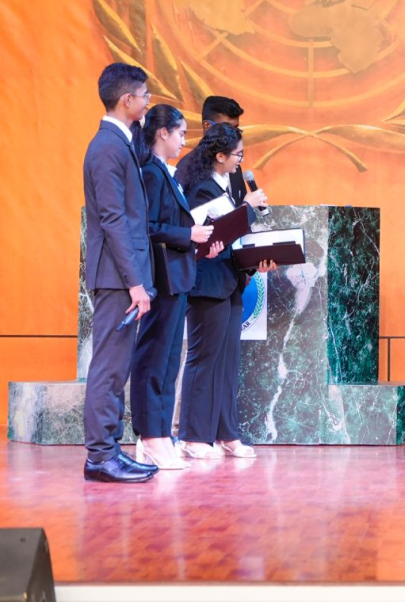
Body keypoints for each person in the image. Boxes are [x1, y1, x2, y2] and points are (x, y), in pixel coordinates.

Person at [175, 123, 274, 459]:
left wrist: (256, 259)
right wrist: (245, 206)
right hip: (206, 283)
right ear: (219, 156)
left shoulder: (227, 186)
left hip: (230, 280)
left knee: (228, 361)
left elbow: (233, 235)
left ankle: (226, 434)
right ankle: (194, 436)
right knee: (204, 359)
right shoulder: (200, 188)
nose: (240, 161)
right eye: (237, 155)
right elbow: (200, 231)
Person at [131, 104, 222, 470]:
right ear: (163, 133)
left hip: (178, 276)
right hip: (162, 279)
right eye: (181, 133)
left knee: (169, 362)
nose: (185, 141)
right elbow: (148, 228)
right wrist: (189, 234)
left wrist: (199, 244)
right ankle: (149, 435)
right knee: (154, 360)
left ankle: (160, 435)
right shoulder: (151, 173)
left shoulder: (166, 173)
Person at [81, 63, 158, 483]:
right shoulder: (108, 147)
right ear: (127, 100)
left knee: (116, 368)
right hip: (116, 278)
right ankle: (100, 456)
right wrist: (135, 283)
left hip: (120, 276)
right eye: (144, 96)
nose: (147, 102)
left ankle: (110, 449)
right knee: (109, 368)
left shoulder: (119, 141)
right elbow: (113, 220)